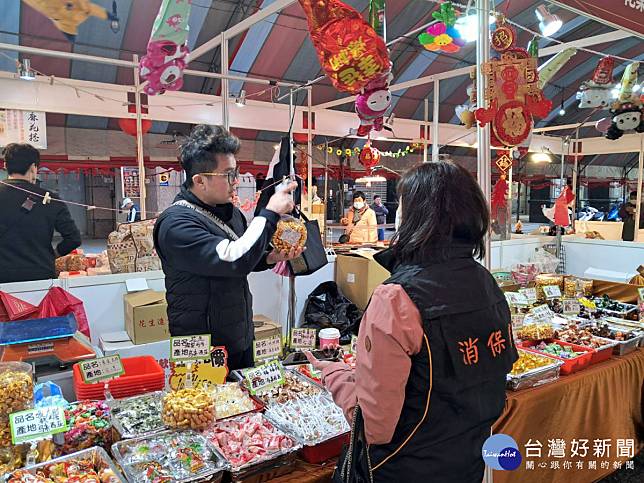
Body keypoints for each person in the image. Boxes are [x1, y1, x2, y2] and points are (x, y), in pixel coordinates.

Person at [307, 161, 518, 482]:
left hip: (403, 467)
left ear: (414, 217)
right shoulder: (486, 282)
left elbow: (374, 426)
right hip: (467, 463)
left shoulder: (396, 297)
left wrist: (334, 374)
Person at [153, 125, 303, 371]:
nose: (236, 182)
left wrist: (270, 257)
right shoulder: (176, 224)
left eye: (236, 172)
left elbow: (244, 257)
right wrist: (271, 212)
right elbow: (234, 259)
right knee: (205, 408)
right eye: (228, 175)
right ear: (199, 180)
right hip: (202, 345)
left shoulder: (231, 214)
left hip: (238, 333)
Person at [0, 143, 81, 283]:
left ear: (6, 165)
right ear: (33, 167)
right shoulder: (49, 198)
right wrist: (53, 254)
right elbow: (73, 238)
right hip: (40, 275)